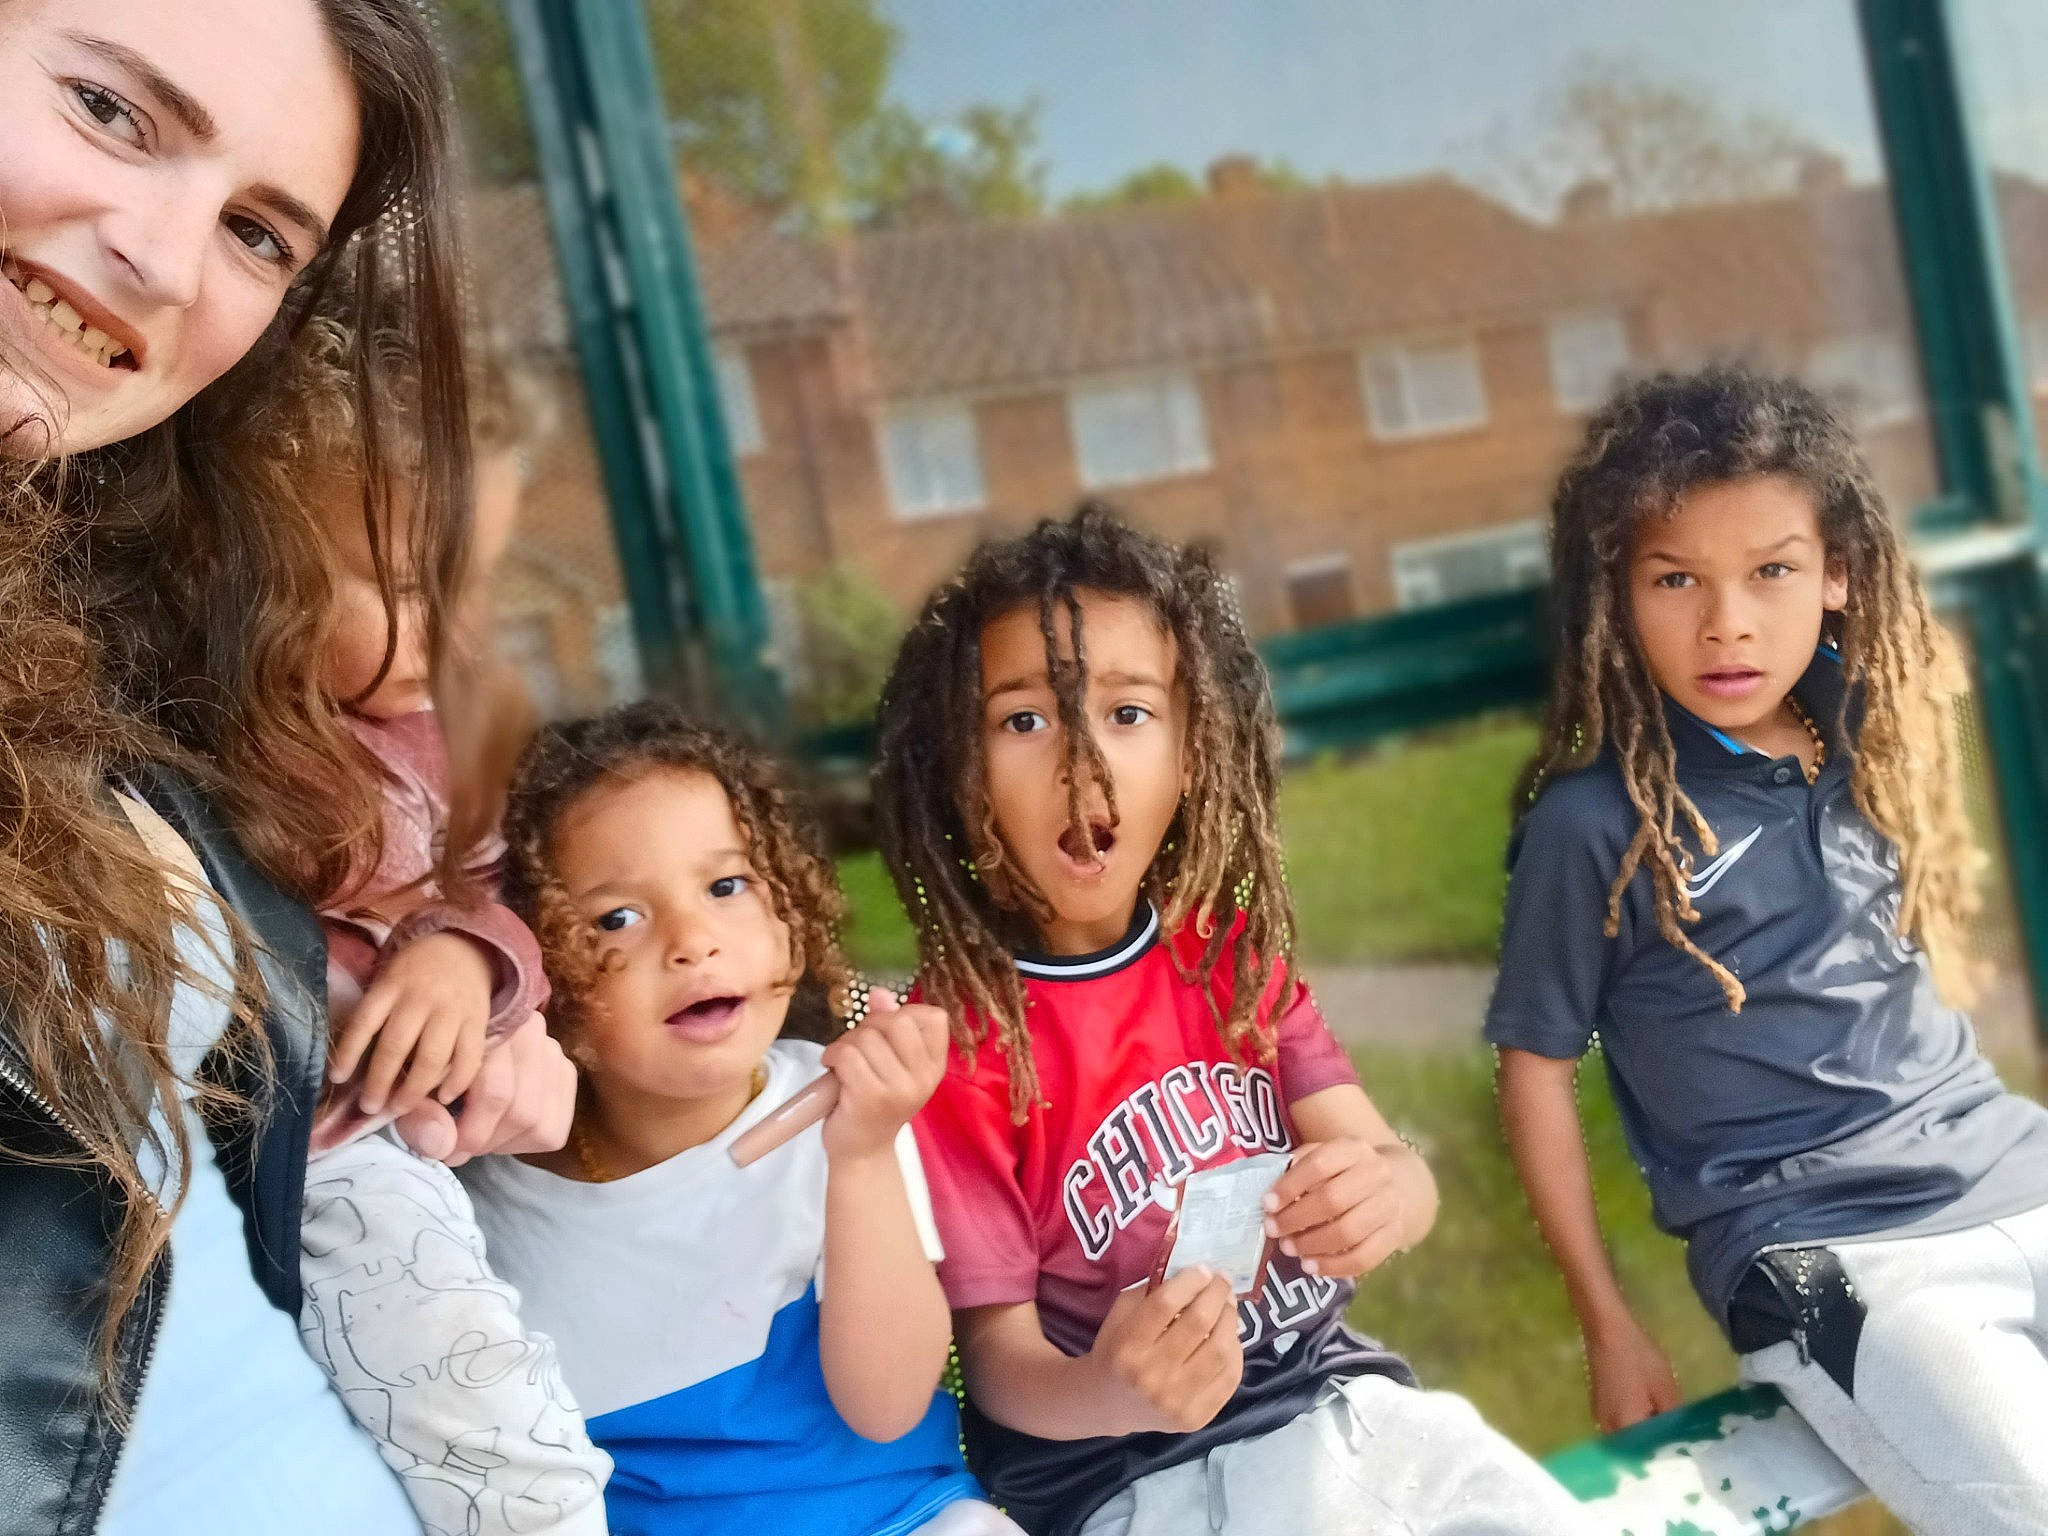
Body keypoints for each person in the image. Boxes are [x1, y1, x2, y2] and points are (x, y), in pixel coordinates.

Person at [0, 3, 574, 1532]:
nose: (170, 259)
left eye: (260, 232)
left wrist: (480, 985)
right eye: (109, 110)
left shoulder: (97, 640)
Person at [873, 505, 1595, 1536]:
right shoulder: (960, 1042)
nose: (1082, 762)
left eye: (1126, 715)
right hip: (1133, 1476)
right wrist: (1111, 1388)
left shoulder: (1225, 958)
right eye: (1023, 720)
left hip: (1337, 1402)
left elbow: (1389, 1167)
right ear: (955, 766)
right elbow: (995, 1364)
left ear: (1189, 752)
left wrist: (1381, 1194)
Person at [1489, 367, 2048, 1534]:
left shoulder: (1873, 734)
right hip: (1824, 1258)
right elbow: (1534, 1073)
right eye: (1674, 579)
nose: (1725, 622)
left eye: (1770, 572)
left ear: (1838, 576)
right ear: (1616, 594)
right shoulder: (1596, 828)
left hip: (2015, 1163)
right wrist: (1608, 1322)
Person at [467, 701, 1022, 1536]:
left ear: (791, 923)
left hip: (904, 1519)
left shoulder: (844, 1118)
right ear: (540, 976)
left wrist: (864, 1157)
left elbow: (889, 1405)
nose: (692, 939)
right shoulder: (487, 1201)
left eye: (727, 887)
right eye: (617, 917)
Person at [285, 319, 611, 1536]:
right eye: (418, 586)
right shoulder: (224, 729)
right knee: (512, 1468)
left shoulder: (447, 722)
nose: (455, 633)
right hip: (329, 1157)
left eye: (479, 584)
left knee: (498, 1415)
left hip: (415, 1157)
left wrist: (462, 956)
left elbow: (492, 894)